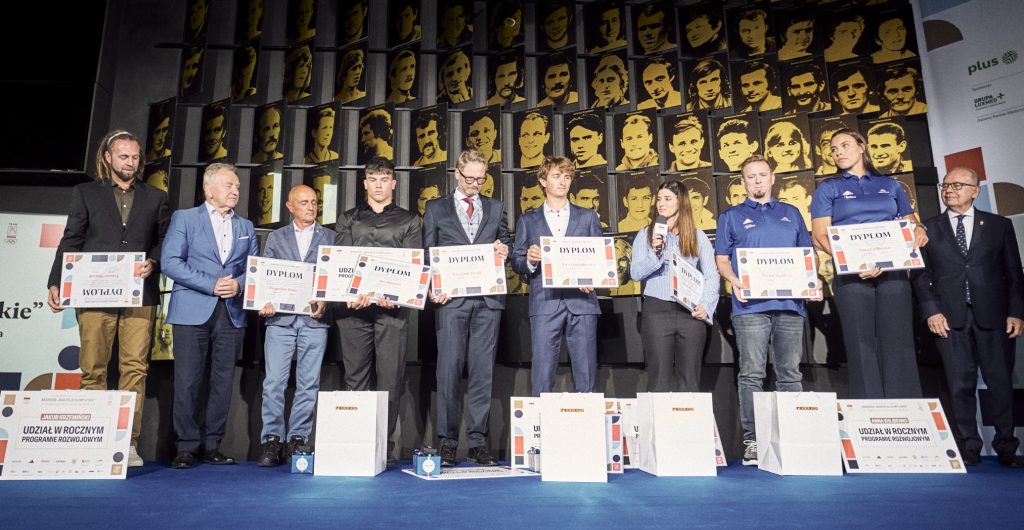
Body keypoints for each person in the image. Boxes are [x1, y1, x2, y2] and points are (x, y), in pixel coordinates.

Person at [46, 130, 169, 468]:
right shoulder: (85, 192)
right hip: (92, 293)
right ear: (108, 157)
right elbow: (72, 239)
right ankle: (92, 441)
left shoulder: (156, 197)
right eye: (124, 156)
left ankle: (127, 443)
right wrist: (56, 282)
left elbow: (164, 239)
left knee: (135, 369)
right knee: (93, 369)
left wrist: (153, 261)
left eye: (135, 157)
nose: (130, 162)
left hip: (139, 295)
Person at [911, 167, 1024, 468]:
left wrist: (1016, 312)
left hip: (995, 316)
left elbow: (1014, 273)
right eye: (946, 185)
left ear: (975, 191)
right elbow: (921, 275)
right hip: (949, 319)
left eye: (958, 185)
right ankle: (969, 446)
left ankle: (1006, 446)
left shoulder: (999, 226)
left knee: (1000, 383)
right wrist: (931, 310)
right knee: (959, 385)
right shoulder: (927, 229)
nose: (949, 189)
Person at [810, 128, 928, 398]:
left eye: (844, 145)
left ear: (861, 146)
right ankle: (868, 412)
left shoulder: (891, 185)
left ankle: (906, 409)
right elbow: (819, 236)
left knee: (899, 342)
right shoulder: (828, 188)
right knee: (861, 345)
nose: (838, 152)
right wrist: (854, 264)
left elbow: (910, 222)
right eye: (833, 149)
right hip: (852, 277)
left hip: (893, 272)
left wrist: (919, 229)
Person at [716, 155, 818, 466]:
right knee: (751, 374)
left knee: (790, 373)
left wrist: (813, 279)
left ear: (773, 178)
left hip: (790, 305)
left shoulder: (792, 213)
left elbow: (807, 254)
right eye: (751, 176)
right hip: (750, 307)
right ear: (743, 182)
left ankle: (792, 436)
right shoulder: (731, 216)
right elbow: (722, 259)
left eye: (762, 174)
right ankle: (753, 441)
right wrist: (733, 279)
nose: (757, 180)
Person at [162, 162, 259, 469]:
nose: (235, 191)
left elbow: (255, 268)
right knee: (187, 380)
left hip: (231, 312)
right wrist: (211, 284)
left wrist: (239, 284)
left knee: (222, 380)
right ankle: (186, 446)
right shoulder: (185, 218)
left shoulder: (246, 226)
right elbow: (170, 262)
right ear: (208, 189)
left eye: (237, 186)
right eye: (229, 185)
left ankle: (212, 444)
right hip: (191, 309)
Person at [423, 149, 510, 467]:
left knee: (482, 372)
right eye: (470, 178)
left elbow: (505, 243)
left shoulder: (497, 207)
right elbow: (428, 252)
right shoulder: (436, 208)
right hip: (451, 301)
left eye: (481, 179)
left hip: (488, 301)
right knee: (448, 371)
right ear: (457, 174)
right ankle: (447, 442)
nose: (475, 184)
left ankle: (477, 442)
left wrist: (504, 250)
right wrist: (432, 286)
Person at [333, 157, 423, 466]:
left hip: (391, 311)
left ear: (393, 183)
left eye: (384, 180)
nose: (379, 185)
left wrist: (394, 294)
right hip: (353, 309)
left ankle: (384, 448)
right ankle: (356, 445)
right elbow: (342, 259)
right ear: (365, 183)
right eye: (373, 179)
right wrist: (350, 292)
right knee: (355, 377)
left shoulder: (410, 220)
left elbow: (413, 265)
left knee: (389, 379)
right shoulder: (348, 218)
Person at [256, 185, 337, 467]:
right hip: (280, 320)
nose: (310, 207)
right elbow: (265, 277)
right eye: (303, 202)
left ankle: (298, 440)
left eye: (313, 202)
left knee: (308, 383)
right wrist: (264, 301)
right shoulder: (276, 237)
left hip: (315, 321)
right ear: (290, 206)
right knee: (274, 383)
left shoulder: (331, 237)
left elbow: (335, 279)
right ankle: (272, 440)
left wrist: (327, 300)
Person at [512, 157, 603, 395]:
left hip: (582, 302)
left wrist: (591, 277)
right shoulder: (528, 219)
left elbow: (600, 259)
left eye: (567, 177)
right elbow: (517, 261)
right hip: (545, 301)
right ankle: (541, 419)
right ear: (543, 181)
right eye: (556, 176)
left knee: (586, 374)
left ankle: (588, 420)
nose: (563, 182)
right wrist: (530, 260)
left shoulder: (588, 216)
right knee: (542, 375)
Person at [631, 180, 719, 391]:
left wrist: (706, 305)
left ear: (681, 202)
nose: (661, 204)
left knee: (690, 379)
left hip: (690, 312)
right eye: (659, 199)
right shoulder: (646, 234)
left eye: (667, 199)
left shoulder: (698, 236)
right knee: (658, 378)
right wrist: (656, 254)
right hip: (657, 310)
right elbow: (635, 273)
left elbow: (712, 275)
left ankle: (688, 414)